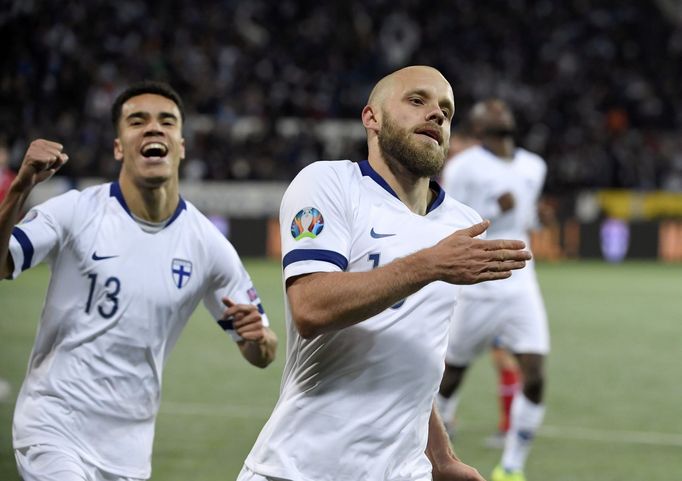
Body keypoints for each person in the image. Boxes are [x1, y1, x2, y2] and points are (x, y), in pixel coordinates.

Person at [237, 66, 532, 481]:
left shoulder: (461, 224)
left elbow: (414, 355)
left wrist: (441, 458)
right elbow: (310, 306)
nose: (437, 115)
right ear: (371, 118)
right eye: (417, 101)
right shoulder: (330, 184)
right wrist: (429, 264)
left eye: (446, 111)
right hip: (299, 468)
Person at [0, 81, 278, 481]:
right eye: (137, 121)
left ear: (181, 145)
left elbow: (262, 351)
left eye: (167, 121)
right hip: (52, 428)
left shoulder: (208, 245)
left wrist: (258, 339)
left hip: (129, 453)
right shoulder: (76, 212)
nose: (153, 129)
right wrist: (21, 187)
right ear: (118, 147)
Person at [437, 99, 551, 481]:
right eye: (490, 108)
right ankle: (435, 441)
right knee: (450, 375)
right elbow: (453, 218)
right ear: (480, 126)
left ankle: (513, 466)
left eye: (504, 107)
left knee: (534, 374)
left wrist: (537, 216)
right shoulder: (462, 167)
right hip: (478, 282)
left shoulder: (535, 166)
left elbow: (527, 215)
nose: (501, 109)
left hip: (522, 281)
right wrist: (492, 207)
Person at [437, 126, 522, 448]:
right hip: (453, 278)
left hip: (481, 278)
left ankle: (506, 425)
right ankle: (446, 418)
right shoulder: (444, 181)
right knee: (445, 353)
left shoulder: (481, 180)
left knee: (498, 352)